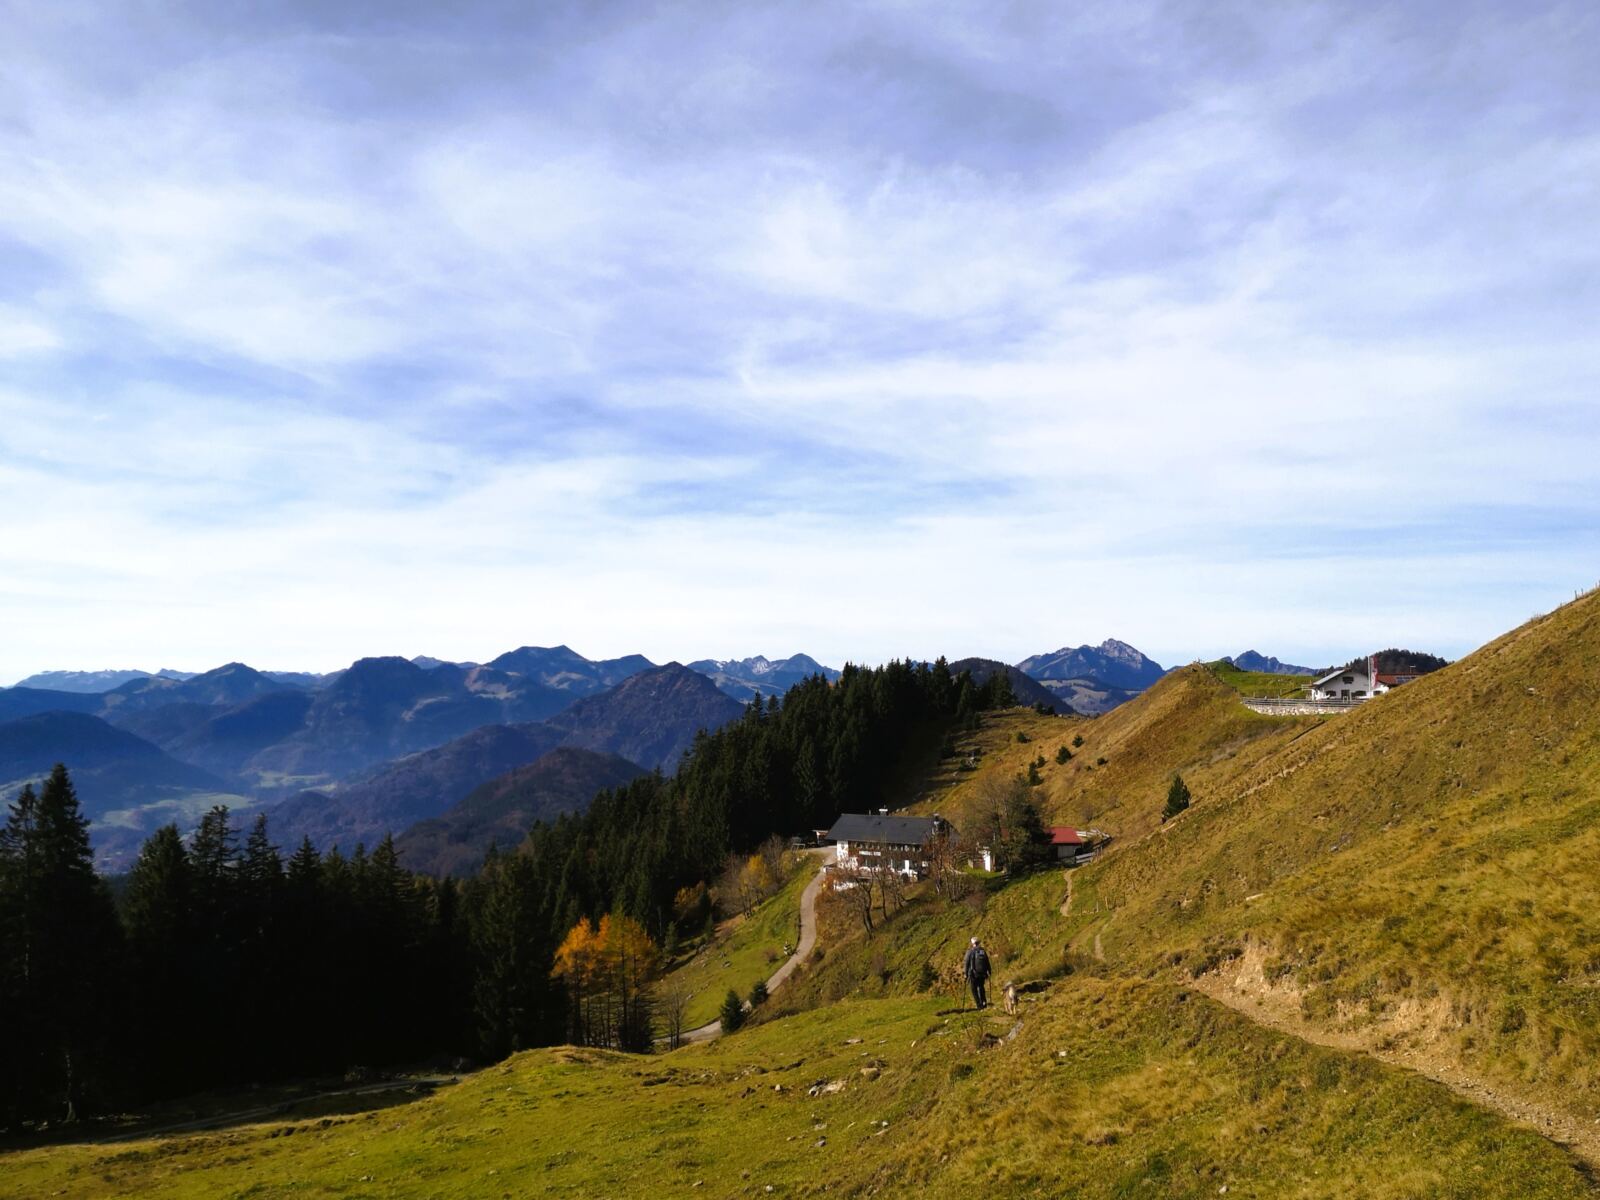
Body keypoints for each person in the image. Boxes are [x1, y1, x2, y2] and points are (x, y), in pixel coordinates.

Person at [962, 936, 991, 1010]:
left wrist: (965, 974)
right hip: (982, 973)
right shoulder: (983, 951)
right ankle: (984, 1002)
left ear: (972, 943)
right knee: (981, 987)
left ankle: (979, 1005)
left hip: (973, 974)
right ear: (979, 942)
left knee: (973, 989)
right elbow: (987, 961)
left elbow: (966, 963)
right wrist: (989, 971)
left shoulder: (970, 952)